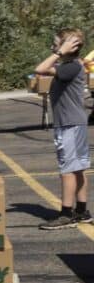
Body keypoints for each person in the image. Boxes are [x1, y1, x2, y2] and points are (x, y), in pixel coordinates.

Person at [35, 29, 91, 229]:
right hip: (72, 123)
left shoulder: (71, 67)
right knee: (77, 168)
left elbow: (40, 68)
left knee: (67, 169)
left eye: (56, 43)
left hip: (70, 125)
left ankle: (67, 214)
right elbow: (46, 70)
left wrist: (59, 53)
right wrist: (60, 54)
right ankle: (82, 210)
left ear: (69, 47)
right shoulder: (69, 67)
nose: (53, 46)